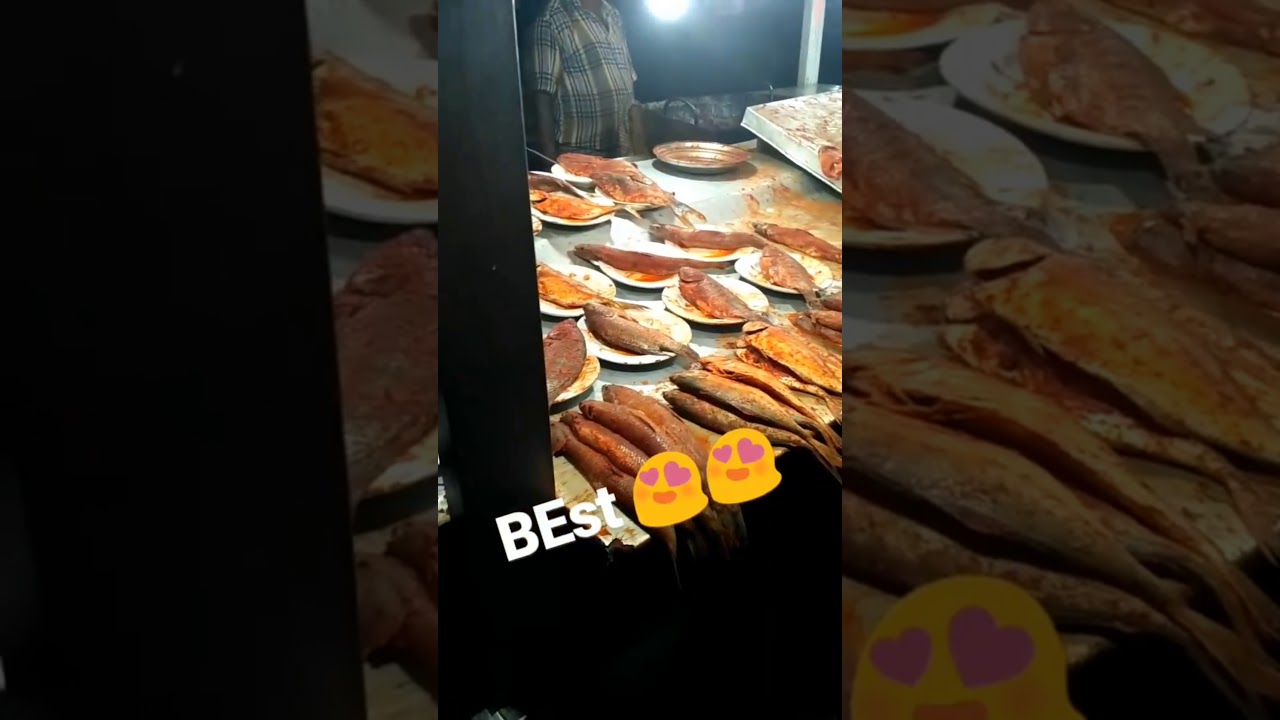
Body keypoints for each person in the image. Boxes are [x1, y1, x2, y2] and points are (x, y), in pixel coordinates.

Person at [529, 0, 644, 159]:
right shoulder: (552, 18)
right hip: (580, 153)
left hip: (622, 147)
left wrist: (638, 144)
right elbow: (542, 96)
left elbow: (628, 78)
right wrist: (549, 160)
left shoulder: (613, 14)